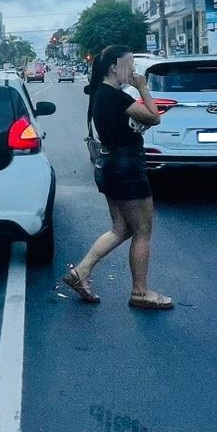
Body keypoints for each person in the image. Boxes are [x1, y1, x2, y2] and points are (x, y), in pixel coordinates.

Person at [61, 45, 174, 309]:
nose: (134, 69)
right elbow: (154, 117)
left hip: (110, 166)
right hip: (128, 169)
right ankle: (140, 292)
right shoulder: (115, 96)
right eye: (130, 64)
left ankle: (81, 271)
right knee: (143, 230)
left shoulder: (101, 94)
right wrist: (143, 87)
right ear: (114, 66)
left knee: (121, 229)